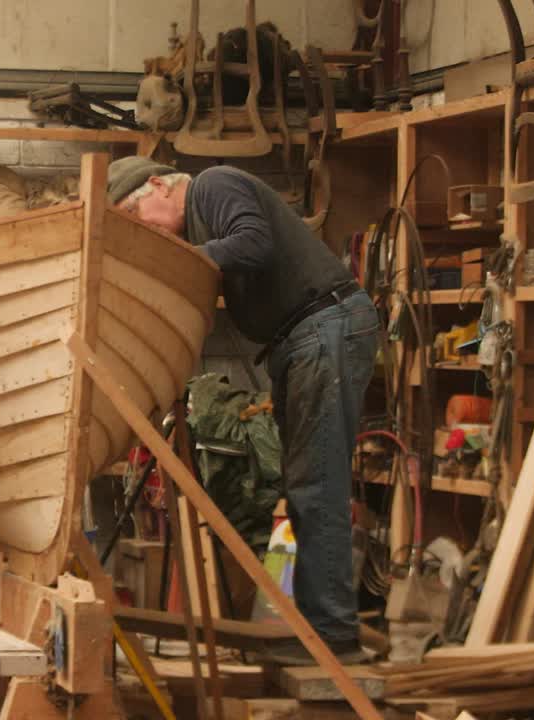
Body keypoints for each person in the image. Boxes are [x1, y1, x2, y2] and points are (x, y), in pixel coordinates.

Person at [107, 157, 380, 666]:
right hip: (304, 338)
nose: (143, 233)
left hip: (324, 326)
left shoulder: (213, 185)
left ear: (158, 185)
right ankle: (321, 631)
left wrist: (179, 260)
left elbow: (255, 243)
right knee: (303, 486)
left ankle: (333, 638)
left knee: (317, 485)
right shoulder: (203, 225)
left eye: (134, 217)